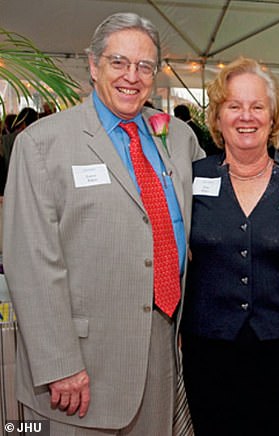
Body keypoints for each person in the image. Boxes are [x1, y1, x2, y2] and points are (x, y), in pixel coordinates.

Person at [3, 12, 204, 436]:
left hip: (161, 352)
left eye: (144, 65)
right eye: (118, 62)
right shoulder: (42, 145)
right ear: (93, 66)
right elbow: (31, 261)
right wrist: (60, 365)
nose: (132, 76)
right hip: (79, 373)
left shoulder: (180, 139)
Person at [181, 57, 279, 436]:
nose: (245, 116)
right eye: (234, 106)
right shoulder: (190, 178)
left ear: (272, 117)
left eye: (257, 106)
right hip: (208, 356)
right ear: (217, 118)